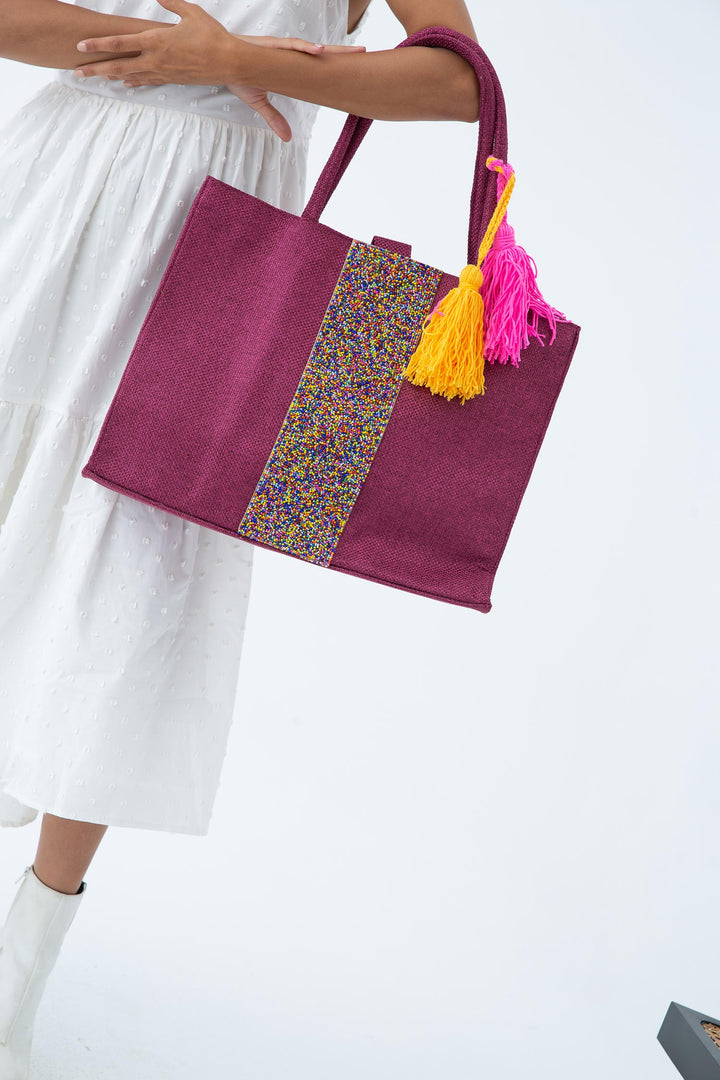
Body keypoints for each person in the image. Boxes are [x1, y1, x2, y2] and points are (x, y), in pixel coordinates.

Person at [0, 0, 479, 1073]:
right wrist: (170, 55)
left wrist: (235, 57)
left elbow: (459, 81)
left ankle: (12, 983)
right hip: (58, 192)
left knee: (135, 580)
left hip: (227, 241)